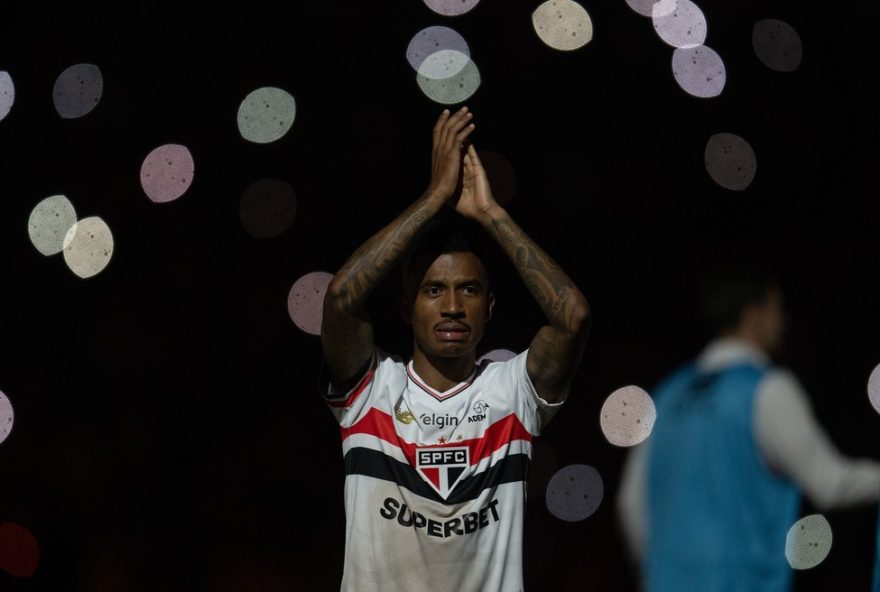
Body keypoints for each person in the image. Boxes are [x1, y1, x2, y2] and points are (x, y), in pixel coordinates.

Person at [319, 106, 591, 592]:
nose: (451, 307)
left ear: (490, 308)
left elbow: (573, 317)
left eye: (468, 290)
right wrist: (434, 197)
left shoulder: (511, 393)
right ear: (405, 308)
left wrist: (490, 213)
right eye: (433, 290)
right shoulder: (372, 390)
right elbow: (340, 297)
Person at [616, 264, 880, 592]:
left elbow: (631, 503)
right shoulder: (766, 388)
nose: (784, 320)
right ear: (754, 316)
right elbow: (830, 483)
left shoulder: (667, 395)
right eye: (778, 308)